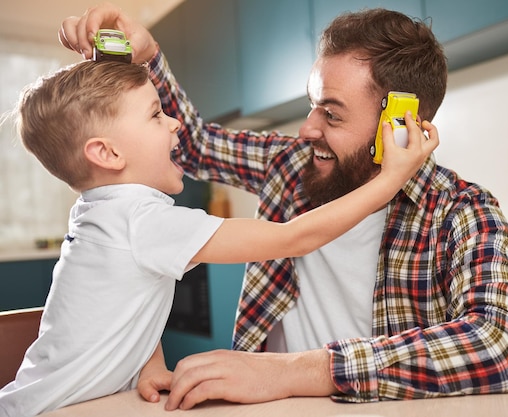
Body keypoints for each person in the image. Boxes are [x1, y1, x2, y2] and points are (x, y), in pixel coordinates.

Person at [58, 4, 508, 410]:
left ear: (401, 124)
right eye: (311, 105)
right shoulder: (291, 165)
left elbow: (497, 345)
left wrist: (289, 372)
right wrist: (147, 58)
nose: (307, 129)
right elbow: (195, 146)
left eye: (332, 113)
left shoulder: (460, 210)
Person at [0, 58, 436, 417]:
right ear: (108, 153)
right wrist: (391, 178)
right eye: (156, 115)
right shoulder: (144, 221)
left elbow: (127, 302)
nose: (174, 125)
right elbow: (295, 237)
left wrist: (150, 363)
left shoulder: (101, 212)